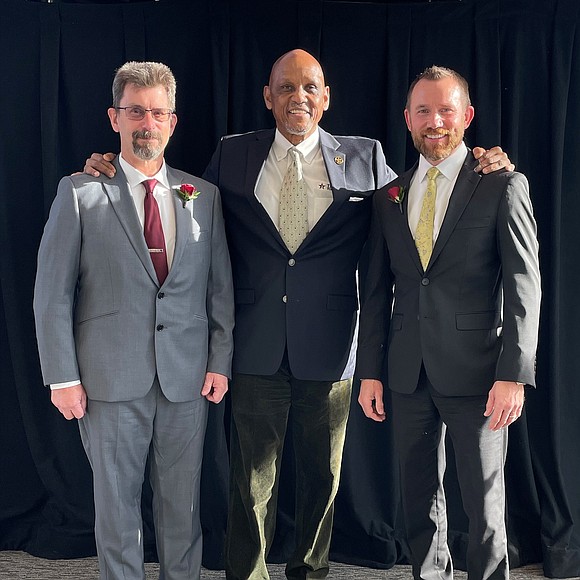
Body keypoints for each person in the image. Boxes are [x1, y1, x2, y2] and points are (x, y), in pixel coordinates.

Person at [83, 50, 513, 580]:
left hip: (332, 347)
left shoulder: (365, 157)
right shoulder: (234, 154)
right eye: (285, 88)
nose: (298, 97)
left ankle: (310, 572)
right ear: (268, 97)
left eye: (310, 87)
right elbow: (183, 205)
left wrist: (485, 163)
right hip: (253, 343)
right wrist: (109, 169)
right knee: (249, 483)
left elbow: (404, 226)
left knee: (322, 482)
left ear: (326, 97)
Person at [33, 61, 234, 580]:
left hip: (186, 380)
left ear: (173, 121)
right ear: (114, 117)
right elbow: (52, 294)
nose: (148, 122)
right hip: (106, 380)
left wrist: (219, 361)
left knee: (182, 507)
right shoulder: (79, 193)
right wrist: (62, 377)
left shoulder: (202, 197)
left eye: (158, 112)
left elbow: (219, 289)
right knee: (117, 510)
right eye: (136, 111)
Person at [356, 66, 541, 580]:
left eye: (445, 110)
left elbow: (526, 286)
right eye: (423, 111)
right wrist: (370, 370)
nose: (434, 121)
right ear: (407, 119)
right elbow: (375, 293)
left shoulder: (502, 184)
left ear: (467, 116)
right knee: (418, 498)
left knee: (484, 505)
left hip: (480, 373)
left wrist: (514, 375)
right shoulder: (389, 197)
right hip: (407, 372)